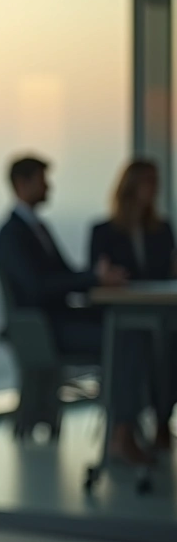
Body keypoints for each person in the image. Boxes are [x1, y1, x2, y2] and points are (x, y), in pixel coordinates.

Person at [0, 155, 148, 463]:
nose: (48, 187)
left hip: (59, 321)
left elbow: (61, 276)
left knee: (130, 329)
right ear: (22, 184)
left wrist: (98, 278)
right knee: (125, 338)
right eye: (42, 180)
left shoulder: (38, 229)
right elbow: (38, 288)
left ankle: (125, 427)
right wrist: (92, 277)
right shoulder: (10, 236)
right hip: (46, 330)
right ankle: (122, 430)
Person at [88, 158, 177, 452]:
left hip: (161, 313)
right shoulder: (103, 231)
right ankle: (125, 430)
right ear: (131, 186)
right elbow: (96, 275)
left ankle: (162, 420)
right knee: (140, 340)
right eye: (148, 181)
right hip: (121, 316)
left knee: (170, 343)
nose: (155, 188)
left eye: (156, 181)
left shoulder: (162, 230)